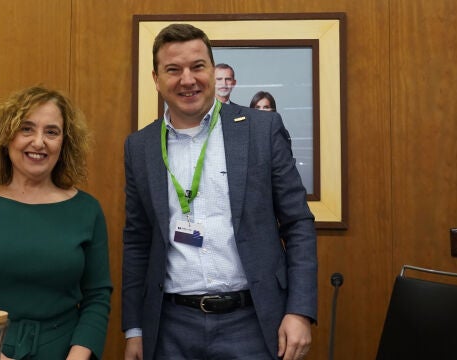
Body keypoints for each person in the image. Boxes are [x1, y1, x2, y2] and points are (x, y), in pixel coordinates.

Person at [122, 23, 317, 360]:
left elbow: (297, 223)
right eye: (173, 70)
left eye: (198, 67)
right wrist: (135, 329)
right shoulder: (140, 146)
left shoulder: (261, 129)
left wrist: (299, 311)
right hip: (170, 327)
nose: (188, 79)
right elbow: (137, 240)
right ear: (156, 79)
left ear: (213, 71)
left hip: (252, 322)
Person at [0, 85, 112, 360]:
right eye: (26, 129)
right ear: (7, 137)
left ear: (64, 143)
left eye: (51, 132)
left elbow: (97, 297)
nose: (39, 142)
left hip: (63, 352)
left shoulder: (87, 210)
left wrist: (77, 356)